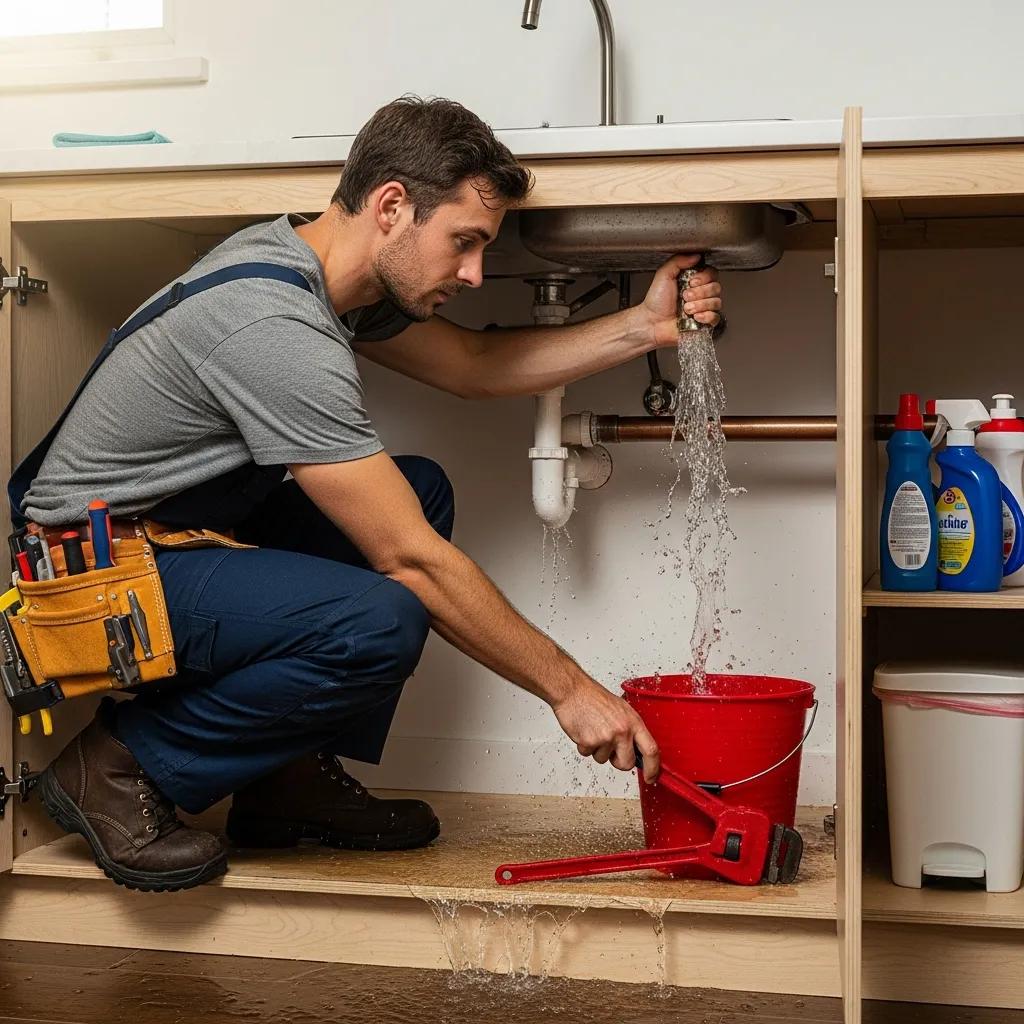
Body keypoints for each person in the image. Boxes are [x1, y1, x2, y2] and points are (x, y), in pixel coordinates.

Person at [19, 95, 723, 892]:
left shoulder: (318, 275)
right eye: (463, 243)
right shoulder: (275, 328)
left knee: (415, 493)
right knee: (382, 615)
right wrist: (569, 690)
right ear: (392, 206)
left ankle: (285, 782)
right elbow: (410, 563)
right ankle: (113, 768)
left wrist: (642, 328)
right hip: (89, 582)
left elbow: (472, 369)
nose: (474, 273)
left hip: (164, 543)